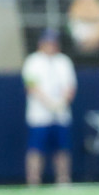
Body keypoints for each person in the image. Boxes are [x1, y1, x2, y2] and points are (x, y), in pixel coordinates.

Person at [22, 29, 76, 186]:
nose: (51, 46)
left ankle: (63, 179)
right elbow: (31, 86)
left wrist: (61, 102)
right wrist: (49, 103)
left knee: (62, 149)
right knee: (36, 149)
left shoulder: (64, 61)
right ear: (41, 44)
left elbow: (70, 87)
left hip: (61, 112)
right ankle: (33, 180)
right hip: (39, 114)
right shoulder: (32, 61)